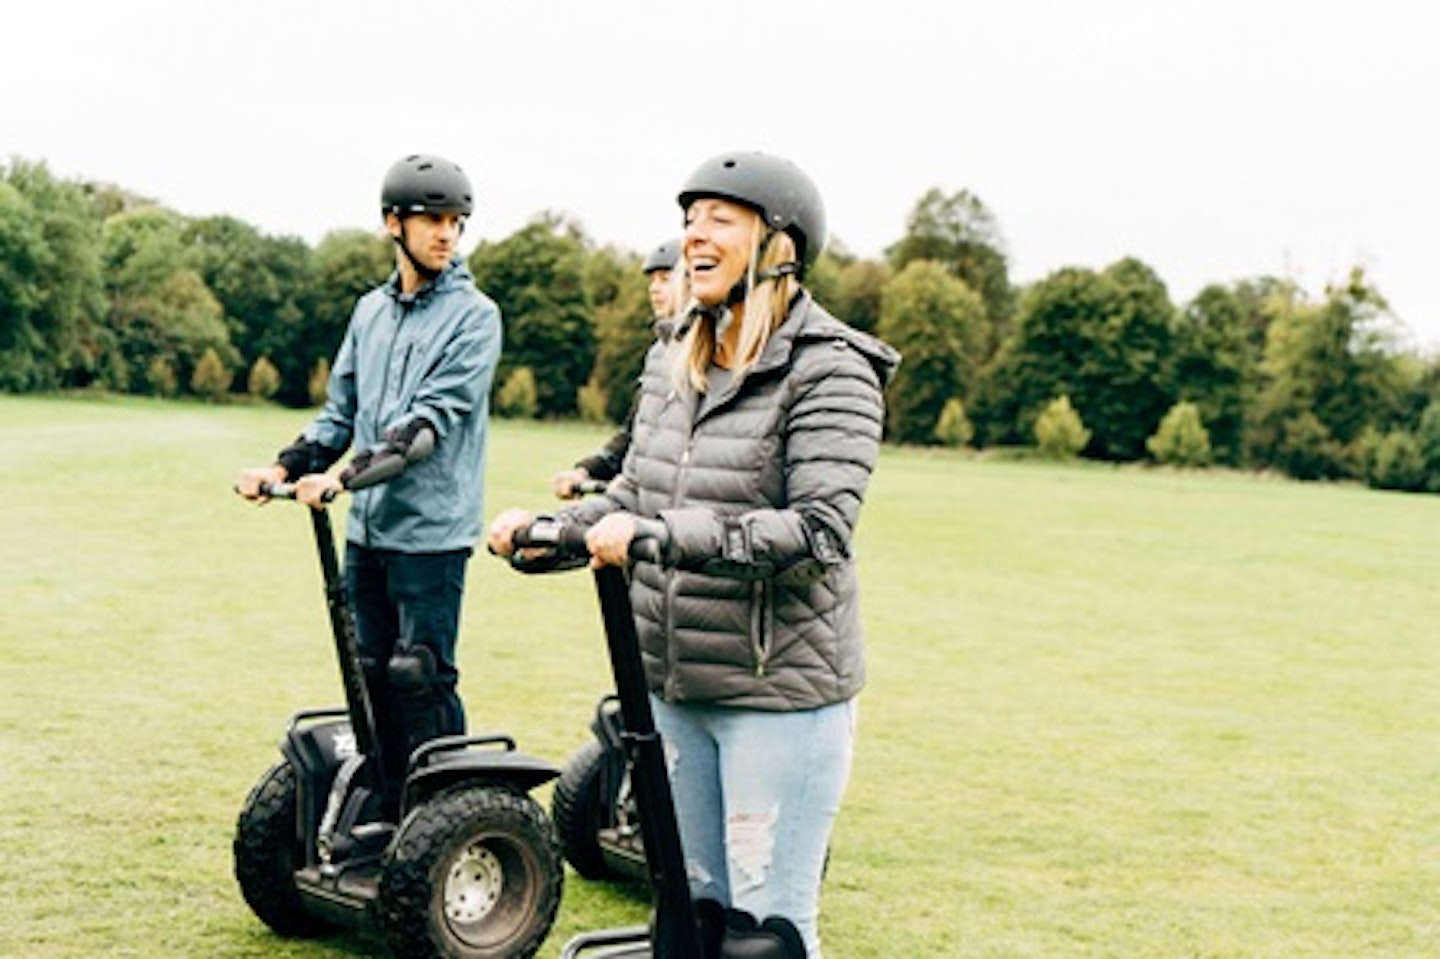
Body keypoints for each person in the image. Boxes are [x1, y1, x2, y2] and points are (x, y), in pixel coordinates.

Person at [490, 150, 899, 957]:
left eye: (720, 218)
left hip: (776, 697)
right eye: (688, 219)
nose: (694, 235)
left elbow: (819, 531)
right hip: (672, 685)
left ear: (779, 245)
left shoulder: (831, 369)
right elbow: (631, 498)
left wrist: (666, 535)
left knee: (763, 938)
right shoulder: (674, 357)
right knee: (690, 922)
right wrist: (547, 532)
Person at [236, 153, 502, 818]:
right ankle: (386, 808)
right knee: (368, 669)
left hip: (432, 533)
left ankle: (447, 815)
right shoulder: (370, 313)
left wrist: (342, 477)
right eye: (433, 220)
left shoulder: (475, 317)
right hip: (369, 532)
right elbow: (341, 415)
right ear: (393, 223)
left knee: (420, 673)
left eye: (456, 222)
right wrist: (283, 468)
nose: (446, 234)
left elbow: (424, 429)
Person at [550, 236, 684, 500]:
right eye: (652, 281)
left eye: (665, 279)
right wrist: (586, 471)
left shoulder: (716, 354)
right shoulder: (658, 355)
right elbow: (634, 434)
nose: (654, 289)